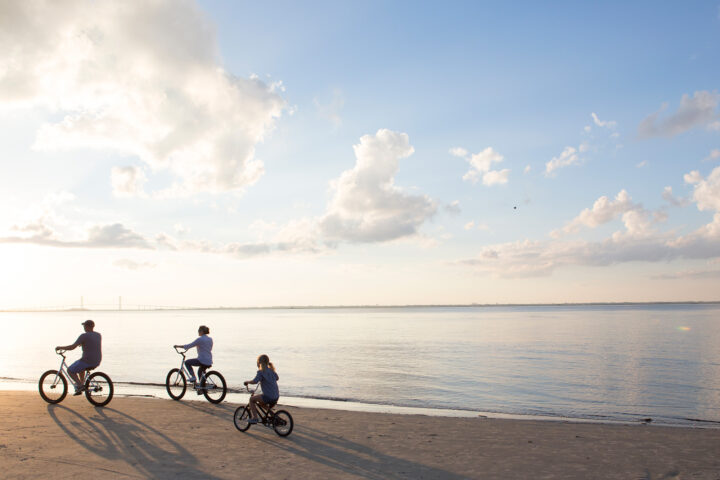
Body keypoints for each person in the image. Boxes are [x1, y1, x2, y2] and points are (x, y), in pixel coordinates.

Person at [55, 320, 102, 395]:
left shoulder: (84, 336)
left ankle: (80, 385)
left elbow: (72, 347)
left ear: (86, 326)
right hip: (97, 361)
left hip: (87, 360)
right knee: (81, 368)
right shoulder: (98, 335)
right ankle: (82, 384)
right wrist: (83, 343)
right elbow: (91, 343)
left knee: (70, 370)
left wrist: (60, 347)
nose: (83, 327)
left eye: (84, 326)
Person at [243, 354, 279, 424]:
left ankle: (255, 418)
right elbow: (277, 378)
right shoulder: (271, 371)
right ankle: (272, 414)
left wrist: (247, 382)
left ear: (259, 363)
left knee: (252, 399)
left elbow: (255, 381)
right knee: (261, 403)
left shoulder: (261, 372)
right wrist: (268, 380)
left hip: (268, 396)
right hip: (276, 396)